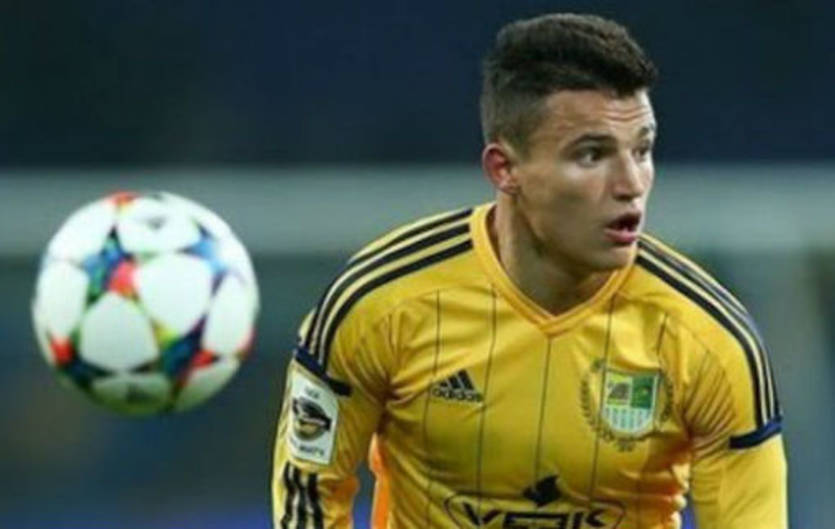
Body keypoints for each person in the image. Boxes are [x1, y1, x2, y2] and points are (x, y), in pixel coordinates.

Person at [272, 13, 787, 529]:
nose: (631, 183)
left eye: (642, 150)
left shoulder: (711, 341)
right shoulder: (379, 304)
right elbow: (309, 495)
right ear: (504, 169)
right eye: (592, 155)